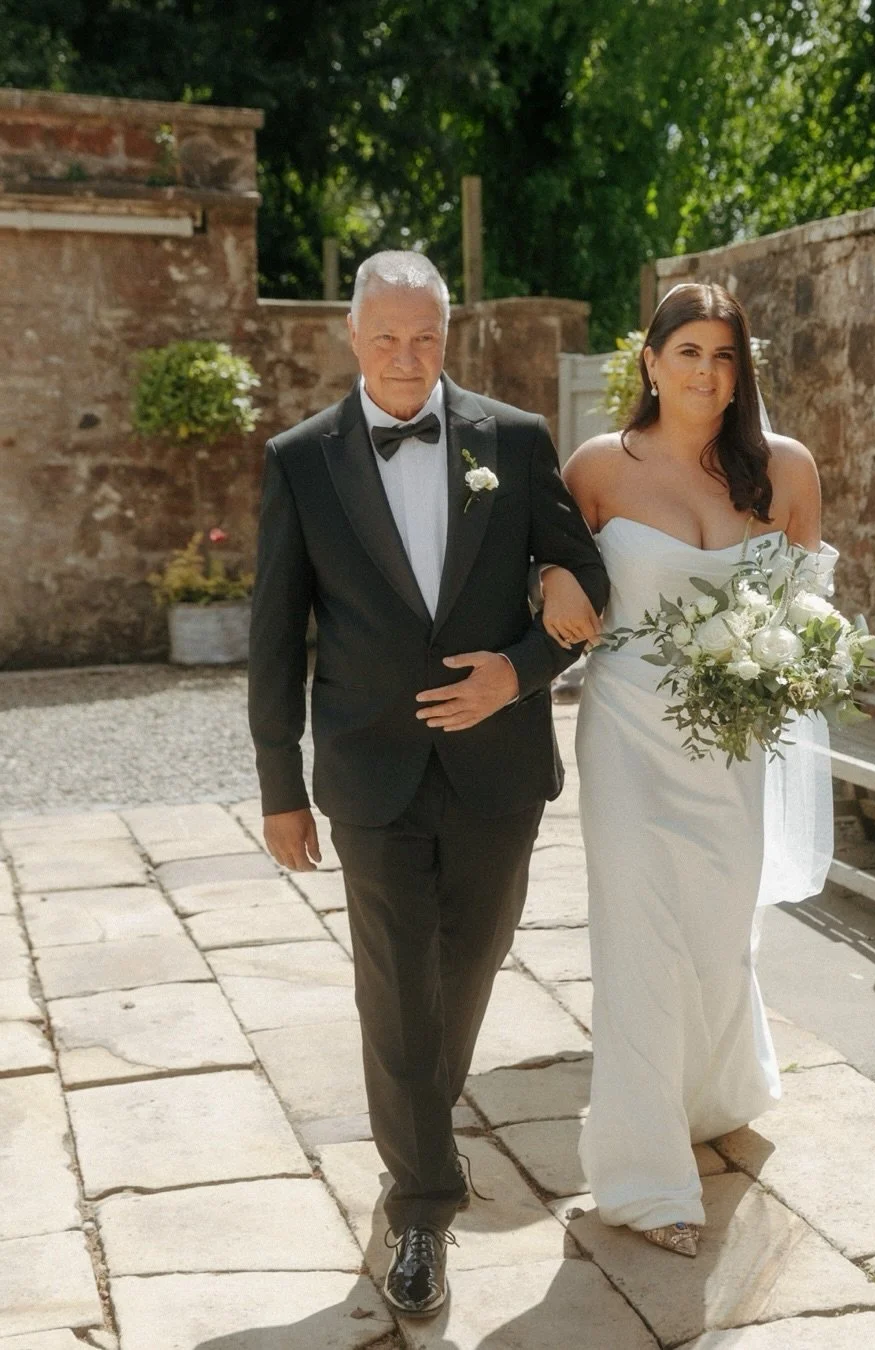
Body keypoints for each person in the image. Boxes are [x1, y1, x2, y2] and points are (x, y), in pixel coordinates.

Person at [247, 251, 608, 1314]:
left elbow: (586, 583)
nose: (407, 358)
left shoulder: (517, 438)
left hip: (499, 765)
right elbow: (275, 638)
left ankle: (415, 1114)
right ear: (351, 338)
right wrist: (280, 785)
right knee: (397, 982)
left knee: (478, 954)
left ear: (451, 339)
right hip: (369, 767)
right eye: (387, 338)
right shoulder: (301, 461)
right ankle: (423, 1206)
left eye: (427, 339)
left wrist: (522, 670)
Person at [539, 282, 835, 1257]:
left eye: (725, 355)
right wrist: (546, 581)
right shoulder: (597, 468)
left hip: (733, 743)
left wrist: (800, 661)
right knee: (637, 937)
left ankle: (714, 1096)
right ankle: (644, 1177)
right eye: (690, 352)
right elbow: (538, 568)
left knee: (716, 935)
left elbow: (805, 608)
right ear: (650, 363)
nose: (708, 372)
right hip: (626, 732)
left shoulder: (784, 471)